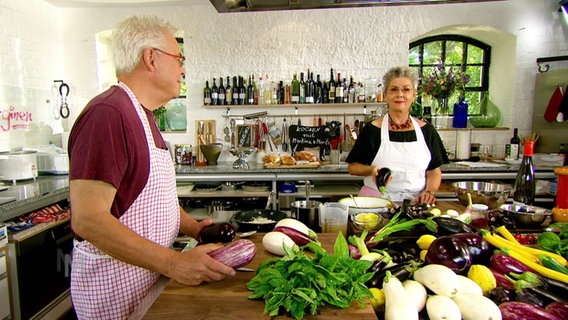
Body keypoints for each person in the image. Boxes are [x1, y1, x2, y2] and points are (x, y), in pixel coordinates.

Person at [68, 15, 236, 319]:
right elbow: (88, 220)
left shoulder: (143, 115)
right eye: (178, 58)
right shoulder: (108, 114)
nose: (183, 68)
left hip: (145, 285)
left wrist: (192, 227)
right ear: (151, 58)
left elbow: (153, 199)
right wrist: (174, 263)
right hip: (114, 294)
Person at [346, 66, 449, 204]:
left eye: (406, 89)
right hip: (376, 202)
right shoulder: (372, 130)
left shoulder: (427, 131)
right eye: (394, 89)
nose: (400, 94)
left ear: (414, 95)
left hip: (416, 204)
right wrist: (371, 170)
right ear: (386, 95)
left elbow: (434, 171)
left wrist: (429, 191)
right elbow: (353, 168)